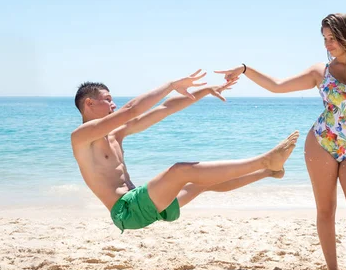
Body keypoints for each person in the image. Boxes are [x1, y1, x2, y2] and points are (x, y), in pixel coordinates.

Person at [215, 13, 346, 270]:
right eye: (324, 39)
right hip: (321, 143)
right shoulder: (320, 72)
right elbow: (276, 86)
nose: (328, 44)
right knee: (326, 210)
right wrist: (245, 69)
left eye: (332, 38)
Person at [71, 70, 299, 232]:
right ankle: (264, 161)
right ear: (89, 104)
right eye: (108, 100)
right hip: (127, 211)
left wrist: (204, 90)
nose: (113, 104)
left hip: (146, 203)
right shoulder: (81, 138)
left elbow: (165, 109)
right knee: (180, 171)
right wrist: (170, 85)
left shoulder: (115, 133)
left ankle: (269, 172)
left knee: (202, 182)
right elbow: (131, 109)